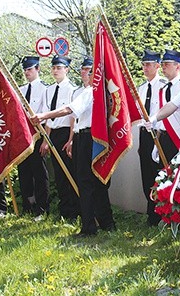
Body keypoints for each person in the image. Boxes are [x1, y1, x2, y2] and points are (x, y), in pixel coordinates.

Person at [30, 58, 116, 236]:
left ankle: (89, 227)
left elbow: (69, 109)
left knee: (84, 182)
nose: (87, 74)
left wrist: (45, 115)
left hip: (87, 137)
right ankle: (107, 222)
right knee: (98, 181)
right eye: (86, 71)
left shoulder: (90, 91)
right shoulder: (101, 92)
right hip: (94, 137)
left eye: (90, 72)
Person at [41, 55, 80, 221]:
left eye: (59, 68)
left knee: (70, 171)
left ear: (67, 69)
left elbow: (73, 116)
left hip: (67, 133)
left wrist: (71, 139)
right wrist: (46, 139)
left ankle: (74, 210)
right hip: (54, 133)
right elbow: (49, 117)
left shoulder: (72, 89)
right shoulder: (49, 90)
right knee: (58, 174)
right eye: (54, 68)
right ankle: (64, 210)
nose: (55, 71)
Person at [137, 50, 167, 226]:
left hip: (158, 134)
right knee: (146, 173)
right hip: (144, 134)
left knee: (159, 173)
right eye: (143, 64)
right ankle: (151, 213)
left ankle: (162, 214)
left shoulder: (163, 86)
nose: (145, 68)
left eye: (148, 64)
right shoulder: (141, 88)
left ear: (157, 66)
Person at [18, 56, 50, 218]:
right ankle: (28, 205)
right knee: (24, 172)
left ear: (37, 69)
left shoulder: (45, 89)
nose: (27, 73)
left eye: (30, 69)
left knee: (39, 172)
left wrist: (45, 139)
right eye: (25, 70)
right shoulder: (21, 90)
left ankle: (42, 208)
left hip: (38, 134)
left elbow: (46, 115)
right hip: (23, 136)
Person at [155, 49, 180, 162]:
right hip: (163, 137)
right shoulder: (163, 89)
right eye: (162, 64)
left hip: (178, 137)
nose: (163, 67)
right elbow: (160, 120)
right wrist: (156, 143)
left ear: (177, 66)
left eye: (167, 64)